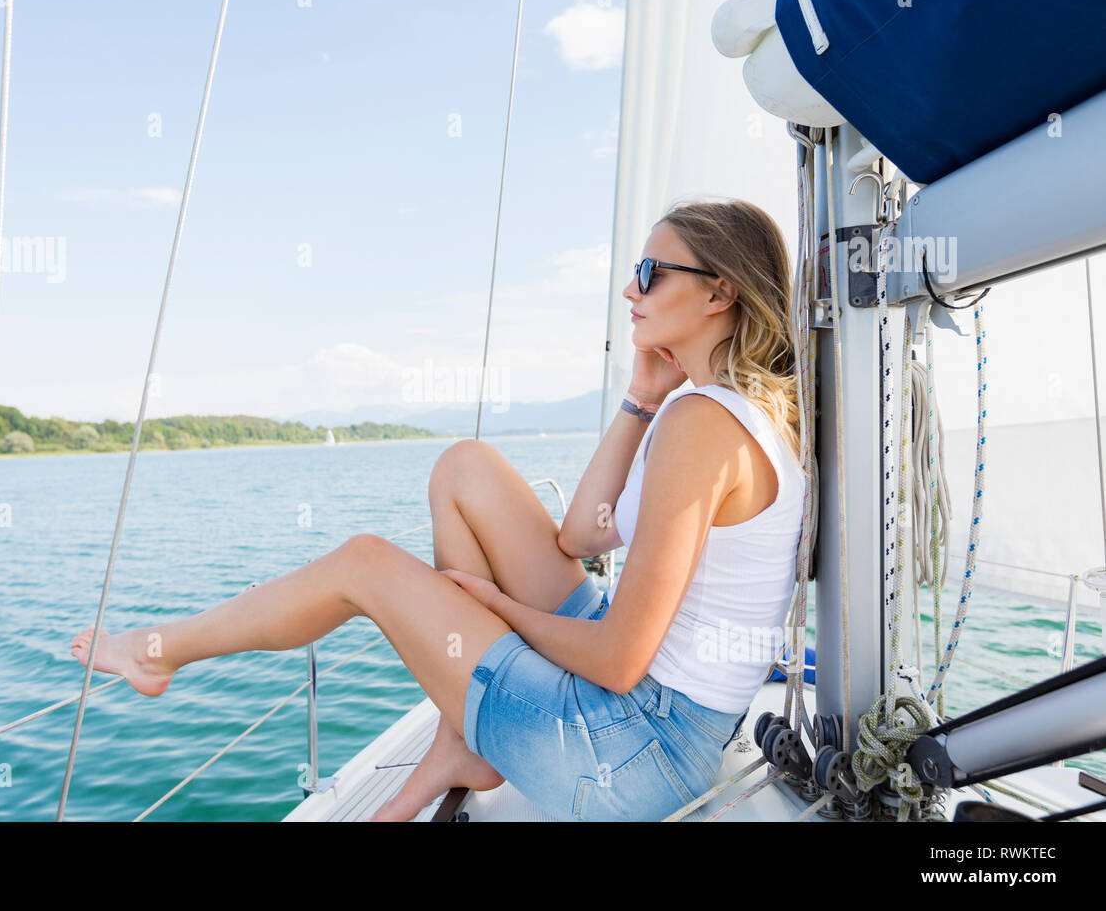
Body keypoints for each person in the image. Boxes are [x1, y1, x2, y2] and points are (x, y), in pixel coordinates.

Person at [70, 197, 806, 822]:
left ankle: (156, 651)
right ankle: (463, 735)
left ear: (720, 294)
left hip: (631, 752)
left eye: (650, 273)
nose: (630, 290)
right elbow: (581, 533)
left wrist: (495, 607)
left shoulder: (705, 426)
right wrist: (641, 399)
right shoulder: (710, 413)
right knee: (466, 468)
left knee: (364, 563)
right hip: (662, 720)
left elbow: (617, 662)